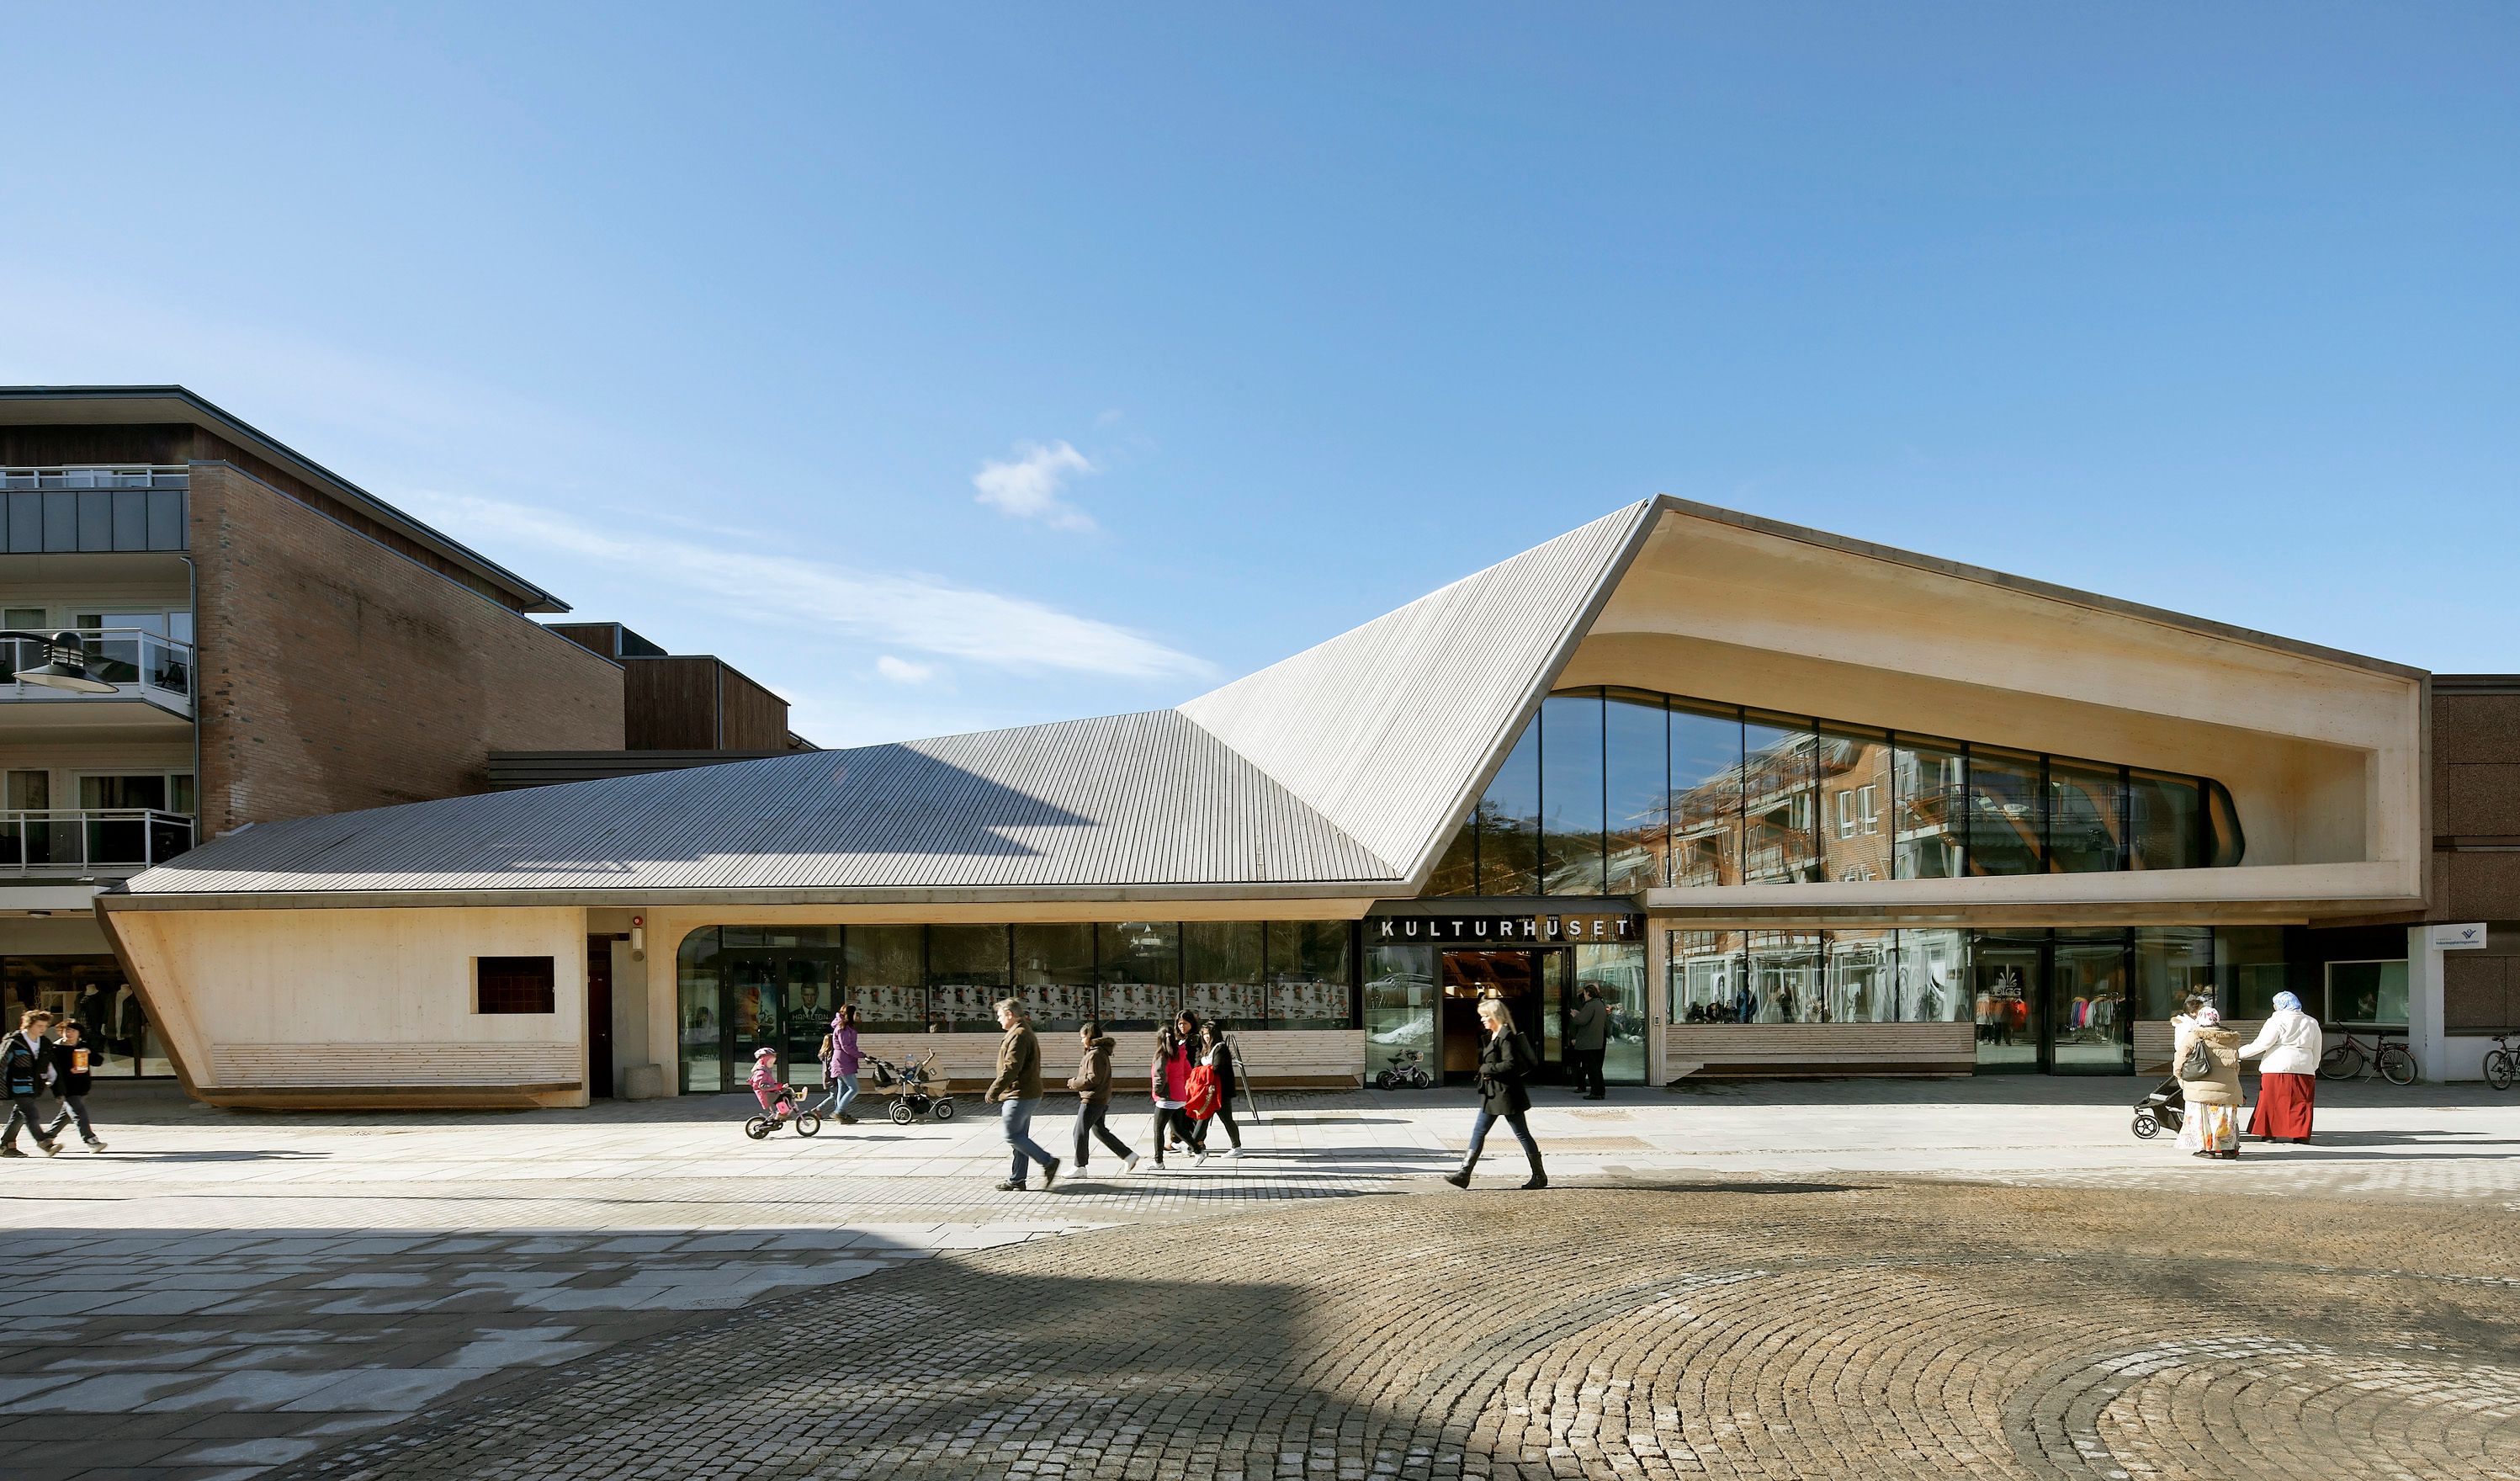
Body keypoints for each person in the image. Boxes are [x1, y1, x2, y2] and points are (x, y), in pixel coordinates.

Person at [1443, 995, 1546, 1190]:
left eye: (1484, 1016)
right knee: (1479, 1132)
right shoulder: (1493, 1035)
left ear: (1494, 1016)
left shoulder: (1506, 1036)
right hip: (1493, 1094)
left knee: (1522, 1134)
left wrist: (1486, 1069)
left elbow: (1511, 1064)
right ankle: (1464, 1174)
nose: (1482, 1019)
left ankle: (1539, 1176)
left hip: (1507, 1095)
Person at [987, 998, 1058, 1192]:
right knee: (1020, 1137)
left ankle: (1048, 1162)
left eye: (1000, 1016)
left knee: (1011, 1135)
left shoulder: (1019, 1034)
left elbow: (1011, 1068)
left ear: (1010, 1014)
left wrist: (994, 1090)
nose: (999, 1020)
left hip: (1019, 1093)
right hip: (1026, 1093)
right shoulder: (1021, 1031)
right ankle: (1017, 1179)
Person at [2238, 990, 2321, 1144]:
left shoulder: (2276, 1021)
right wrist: (2312, 1066)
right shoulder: (2311, 1022)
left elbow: (2262, 1044)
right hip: (2304, 1066)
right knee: (2302, 1102)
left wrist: (2238, 1054)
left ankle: (2270, 1134)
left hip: (2277, 1065)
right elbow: (2316, 1049)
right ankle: (2300, 1135)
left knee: (2272, 1101)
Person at [1066, 1019, 1138, 1175]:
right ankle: (1128, 1155)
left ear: (1090, 1036)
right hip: (1099, 1097)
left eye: (1082, 1037)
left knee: (1079, 1131)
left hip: (1092, 1099)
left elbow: (1093, 1078)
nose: (1081, 1040)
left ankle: (1079, 1166)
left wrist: (1074, 1082)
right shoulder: (1097, 1052)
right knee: (1099, 1131)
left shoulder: (1096, 1054)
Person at [2172, 1005, 2243, 1159]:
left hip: (2199, 1086)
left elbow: (2180, 1058)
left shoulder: (2194, 1035)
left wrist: (2179, 1075)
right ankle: (2228, 1149)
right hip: (2227, 1087)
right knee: (2225, 1118)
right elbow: (2236, 1064)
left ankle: (2207, 1149)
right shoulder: (2231, 1038)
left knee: (2203, 1119)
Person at [1, 1010, 59, 1158]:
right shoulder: (14, 1042)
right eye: (39, 1025)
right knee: (30, 1113)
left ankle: (6, 1145)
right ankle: (44, 1141)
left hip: (34, 1085)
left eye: (45, 1026)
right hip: (17, 1084)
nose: (42, 1029)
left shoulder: (44, 1042)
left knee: (19, 1115)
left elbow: (50, 1065)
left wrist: (56, 1084)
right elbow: (2, 1065)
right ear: (29, 1024)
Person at [41, 1019, 104, 1152]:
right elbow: (53, 1070)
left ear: (79, 1033)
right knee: (78, 1112)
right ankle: (90, 1140)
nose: (69, 1033)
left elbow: (98, 1062)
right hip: (66, 1087)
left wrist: (89, 1053)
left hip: (82, 1086)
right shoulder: (56, 1049)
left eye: (72, 1030)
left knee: (66, 1114)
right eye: (66, 1030)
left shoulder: (83, 1045)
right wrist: (68, 1073)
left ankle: (46, 1138)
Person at [1191, 1017, 1244, 1160]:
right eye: (1204, 1034)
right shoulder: (1205, 1048)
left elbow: (1217, 1068)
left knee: (1225, 1119)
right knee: (1205, 1117)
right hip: (1209, 1090)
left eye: (1209, 1034)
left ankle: (1236, 1148)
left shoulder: (1221, 1048)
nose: (1206, 1037)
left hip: (1221, 1091)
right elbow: (1197, 1065)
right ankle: (1192, 1145)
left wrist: (1202, 1071)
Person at [1149, 1022, 1196, 1170]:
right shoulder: (1181, 1053)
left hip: (1166, 1097)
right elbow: (1188, 1072)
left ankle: (1158, 1161)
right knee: (1177, 1129)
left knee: (1158, 1130)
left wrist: (1157, 1092)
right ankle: (1199, 1150)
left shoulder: (1161, 1055)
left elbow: (1159, 1076)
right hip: (1180, 1096)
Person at [1563, 985, 1609, 1099]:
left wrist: (1575, 1015)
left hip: (1590, 1041)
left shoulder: (1590, 1005)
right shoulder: (1600, 1004)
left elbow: (1582, 1020)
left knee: (1592, 1068)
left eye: (1584, 993)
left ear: (1589, 993)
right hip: (1599, 1040)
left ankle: (1595, 1093)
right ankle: (1600, 1091)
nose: (1583, 996)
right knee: (1597, 1068)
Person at [820, 1005, 862, 1124]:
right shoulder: (842, 1028)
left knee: (842, 1089)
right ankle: (839, 1111)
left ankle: (842, 1115)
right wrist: (860, 1054)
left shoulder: (844, 1027)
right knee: (854, 1088)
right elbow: (846, 1046)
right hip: (843, 1062)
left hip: (842, 1061)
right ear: (850, 1014)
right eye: (855, 1013)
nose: (856, 1016)